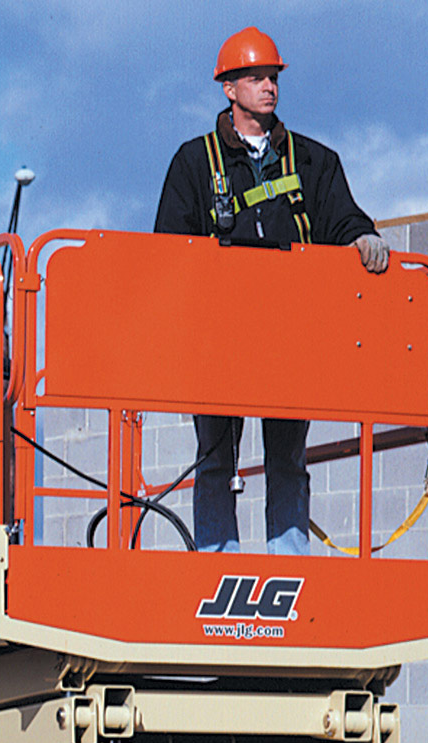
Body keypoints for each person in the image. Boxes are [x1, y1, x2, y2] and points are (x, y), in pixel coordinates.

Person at [155, 26, 390, 554]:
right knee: (216, 457)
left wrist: (362, 235)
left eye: (273, 77)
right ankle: (218, 562)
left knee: (287, 457)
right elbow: (168, 250)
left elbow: (340, 217)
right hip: (218, 340)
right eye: (256, 77)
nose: (269, 87)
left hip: (289, 339)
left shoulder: (312, 161)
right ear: (229, 88)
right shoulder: (195, 163)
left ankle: (290, 564)